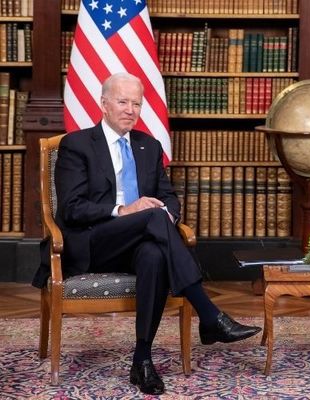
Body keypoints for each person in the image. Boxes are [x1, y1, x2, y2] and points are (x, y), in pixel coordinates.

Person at [32, 72, 261, 395]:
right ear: (104, 104)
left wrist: (165, 213)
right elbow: (70, 208)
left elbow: (168, 197)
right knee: (152, 219)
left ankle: (142, 360)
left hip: (138, 241)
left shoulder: (148, 146)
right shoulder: (78, 144)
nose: (130, 109)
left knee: (154, 253)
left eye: (136, 103)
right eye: (123, 101)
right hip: (92, 242)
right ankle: (209, 316)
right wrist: (122, 210)